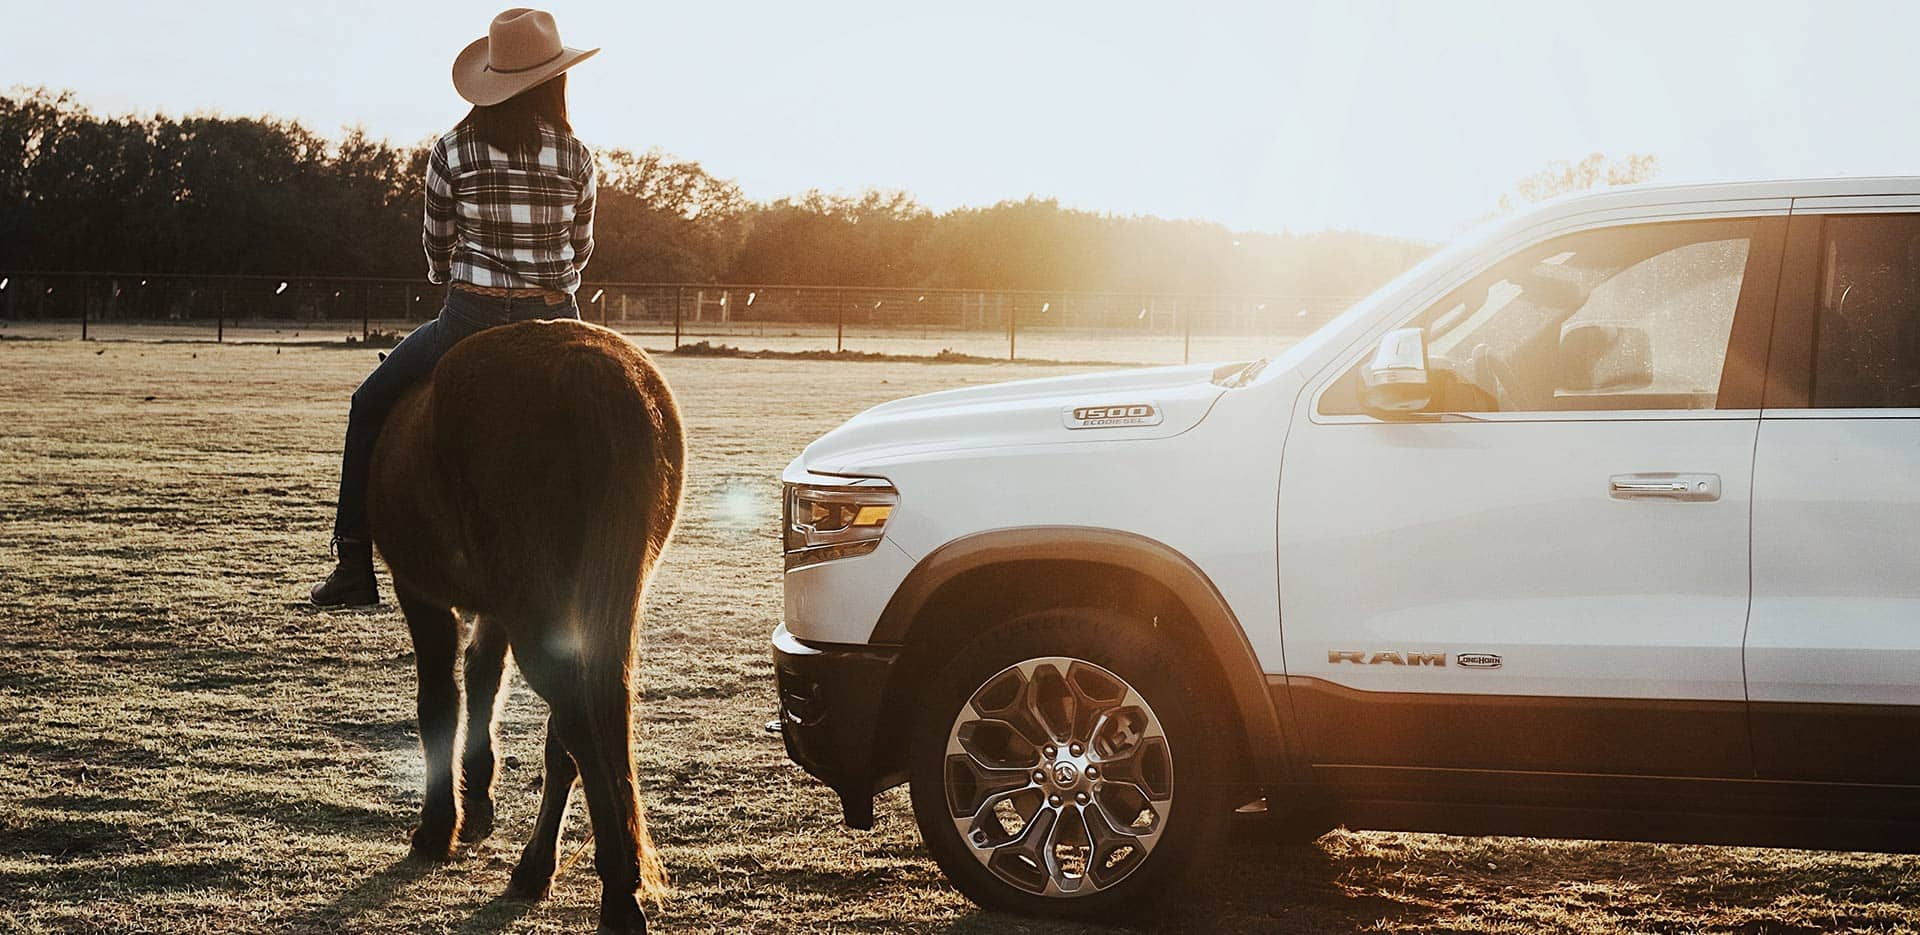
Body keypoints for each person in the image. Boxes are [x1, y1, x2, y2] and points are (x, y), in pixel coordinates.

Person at [311, 9, 600, 607]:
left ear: (492, 80)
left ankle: (354, 567)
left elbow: (437, 246)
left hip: (472, 319)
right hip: (557, 321)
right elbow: (582, 246)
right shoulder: (576, 156)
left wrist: (452, 275)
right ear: (555, 80)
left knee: (368, 406)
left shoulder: (452, 149)